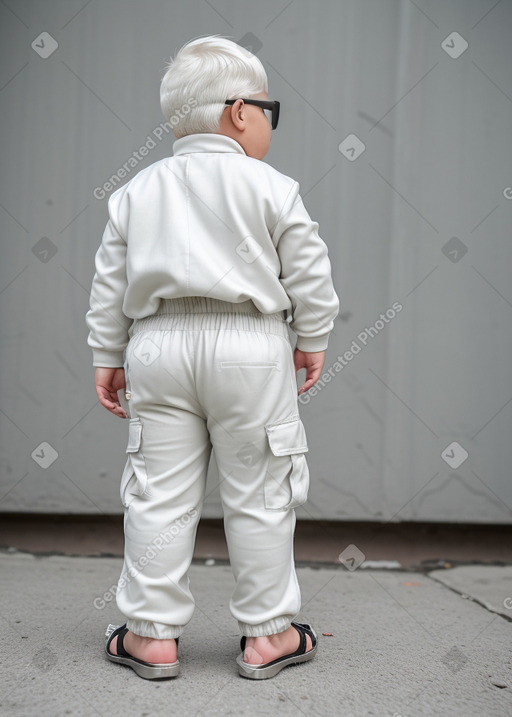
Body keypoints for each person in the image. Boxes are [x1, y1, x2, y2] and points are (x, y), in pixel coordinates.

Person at [86, 34, 339, 680]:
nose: (267, 124)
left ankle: (150, 636)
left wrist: (106, 352)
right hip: (251, 347)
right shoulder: (272, 187)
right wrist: (312, 336)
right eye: (267, 110)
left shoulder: (137, 190)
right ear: (238, 113)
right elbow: (308, 268)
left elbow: (110, 282)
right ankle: (269, 633)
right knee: (260, 492)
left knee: (158, 494)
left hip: (158, 344)